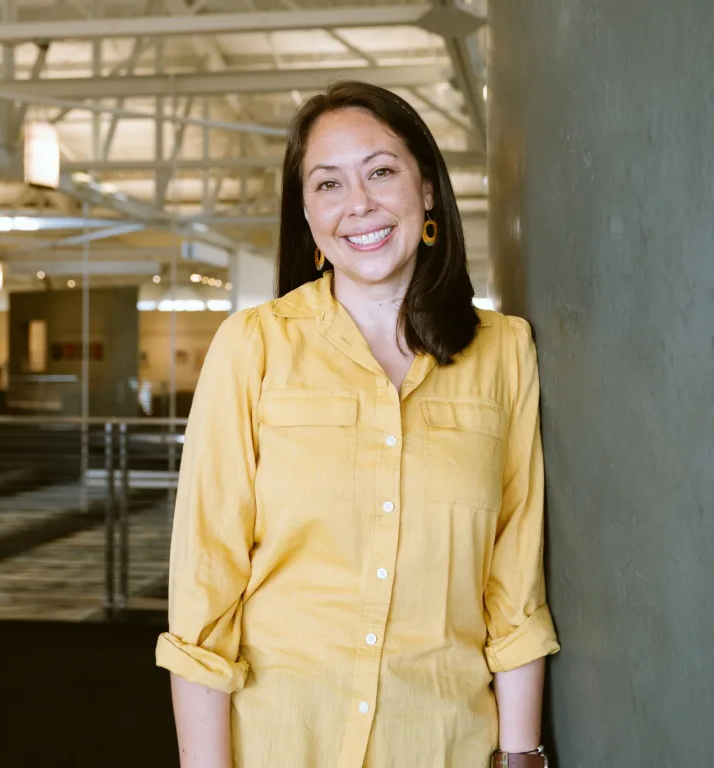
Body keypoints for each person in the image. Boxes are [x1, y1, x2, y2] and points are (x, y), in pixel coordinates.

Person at [156, 80, 560, 768]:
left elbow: (514, 589)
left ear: (427, 190)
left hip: (442, 745)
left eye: (380, 171)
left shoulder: (503, 354)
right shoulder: (253, 347)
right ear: (307, 213)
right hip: (281, 743)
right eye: (327, 184)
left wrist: (520, 759)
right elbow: (205, 592)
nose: (359, 204)